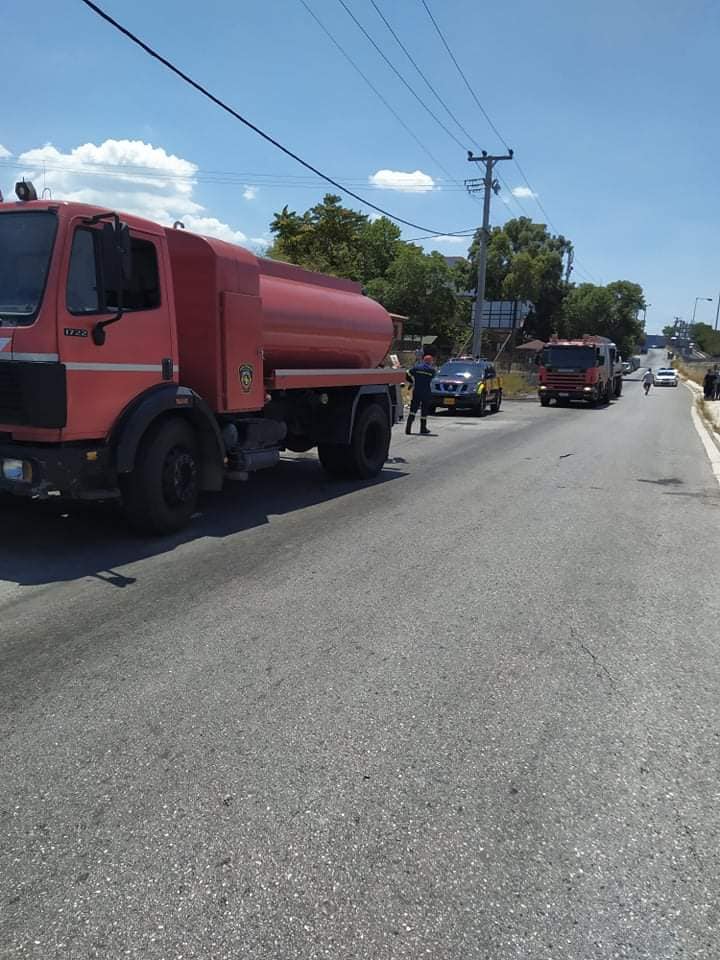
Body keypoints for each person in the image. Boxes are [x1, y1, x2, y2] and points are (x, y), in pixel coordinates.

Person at [406, 353, 436, 435]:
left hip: (417, 391)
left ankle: (408, 428)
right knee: (424, 410)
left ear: (423, 360)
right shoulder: (432, 370)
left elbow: (407, 373)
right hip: (426, 392)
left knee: (413, 410)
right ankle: (423, 428)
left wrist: (411, 382)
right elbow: (433, 378)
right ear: (430, 362)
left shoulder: (416, 368)